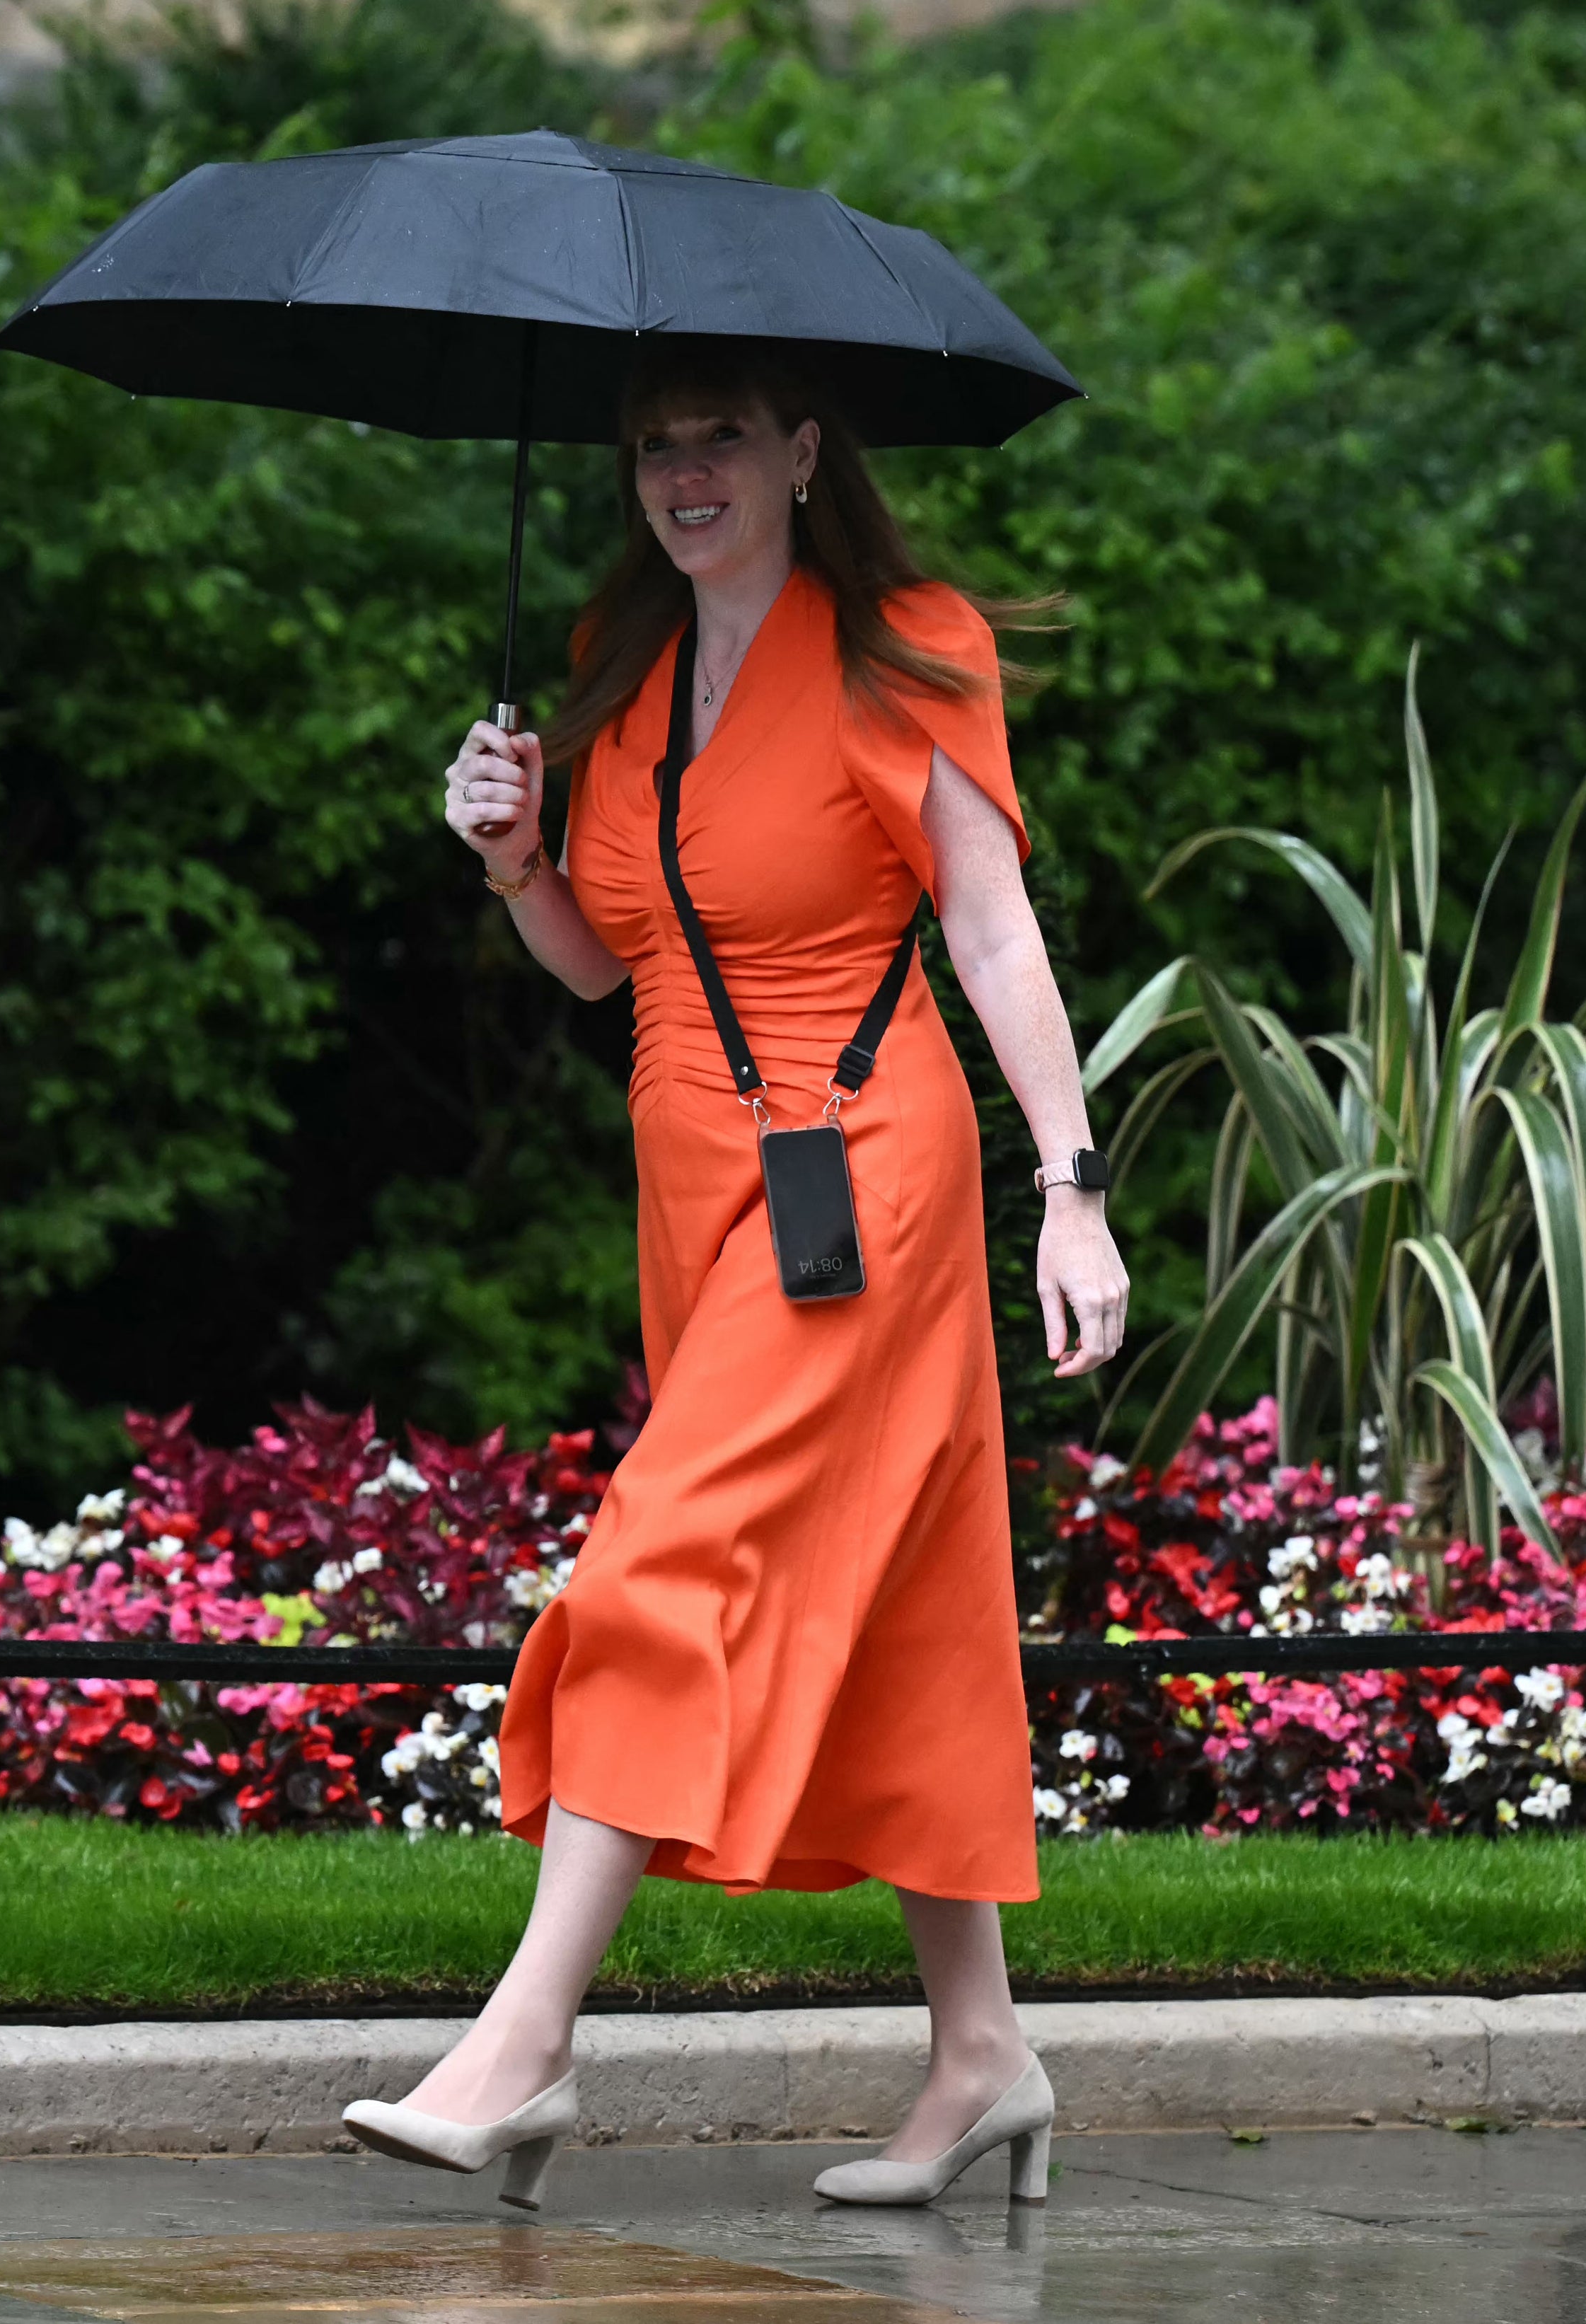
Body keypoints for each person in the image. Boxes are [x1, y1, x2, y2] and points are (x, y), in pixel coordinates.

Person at [340, 339, 1126, 2214]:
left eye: (719, 437)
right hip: (697, 1176)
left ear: (801, 451)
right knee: (901, 1595)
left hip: (864, 1164)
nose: (682, 472)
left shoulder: (905, 644)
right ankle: (984, 2055)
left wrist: (1071, 1188)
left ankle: (524, 2043)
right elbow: (605, 965)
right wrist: (513, 860)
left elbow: (993, 930)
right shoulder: (623, 670)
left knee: (659, 1564)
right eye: (651, 445)